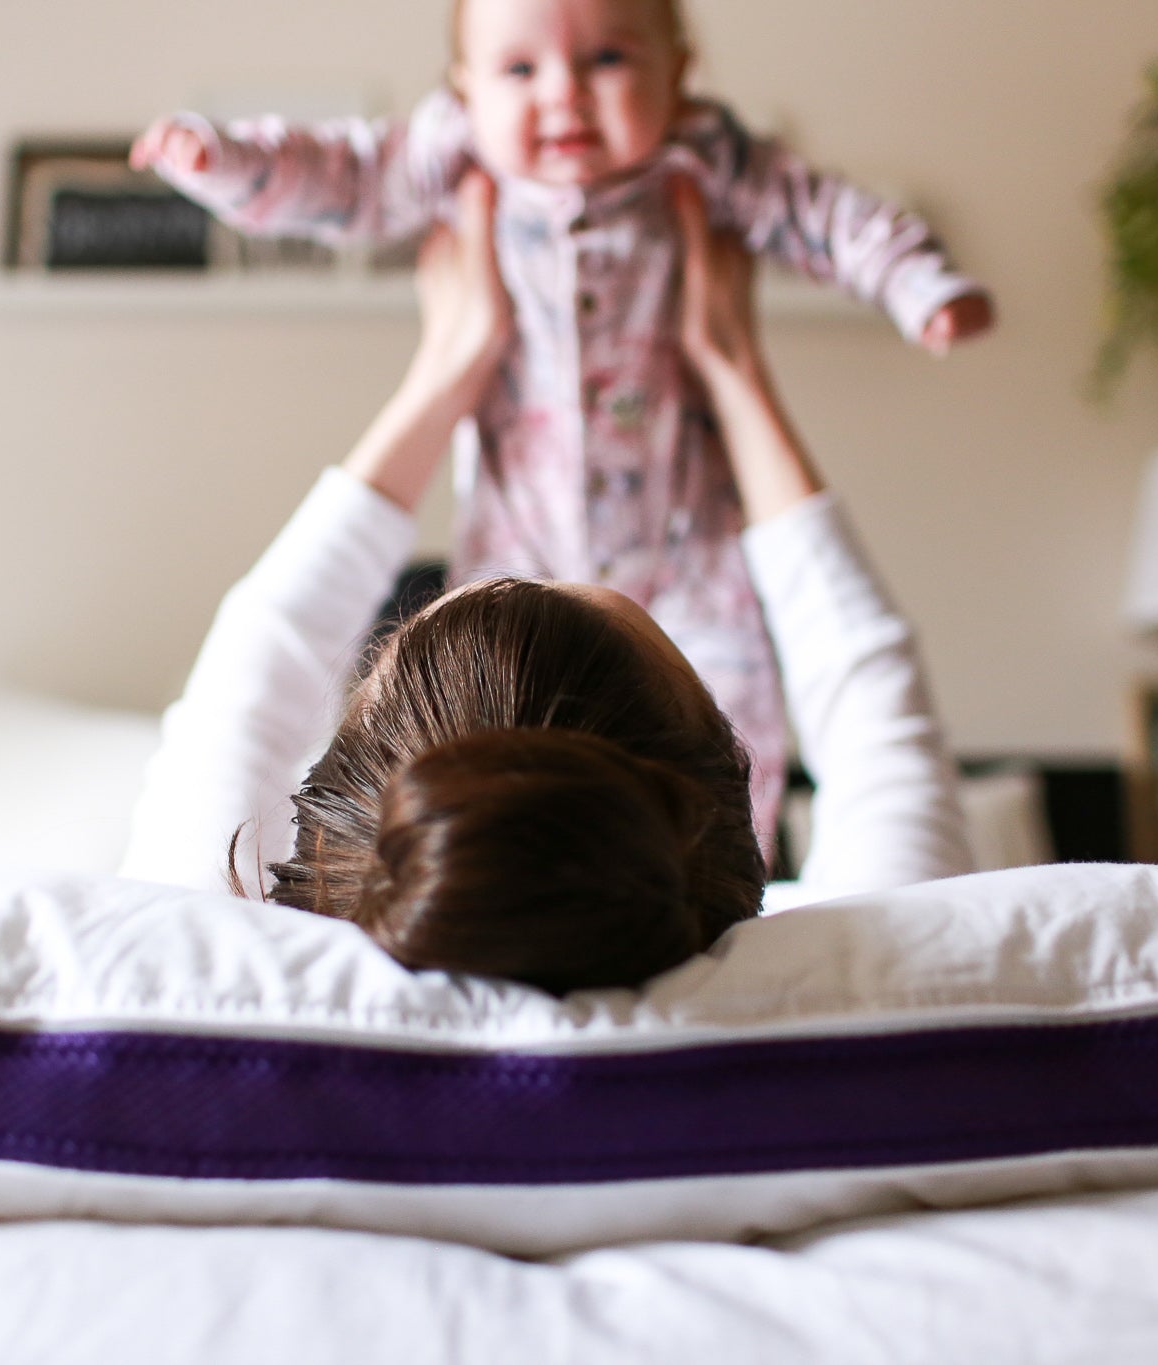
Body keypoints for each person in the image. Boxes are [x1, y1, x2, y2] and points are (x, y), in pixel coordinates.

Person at [129, 0, 994, 855]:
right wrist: (224, 162)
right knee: (482, 717)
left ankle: (723, 875)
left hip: (689, 555)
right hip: (518, 549)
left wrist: (918, 285)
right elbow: (340, 176)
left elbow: (829, 216)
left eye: (608, 60)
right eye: (519, 68)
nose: (564, 96)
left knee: (723, 730)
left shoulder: (708, 157)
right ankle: (491, 853)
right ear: (462, 91)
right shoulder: (454, 155)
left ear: (679, 72)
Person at [119, 170, 973, 994]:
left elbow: (261, 646)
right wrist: (731, 360)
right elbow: (872, 696)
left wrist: (448, 364)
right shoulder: (883, 978)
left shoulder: (187, 975)